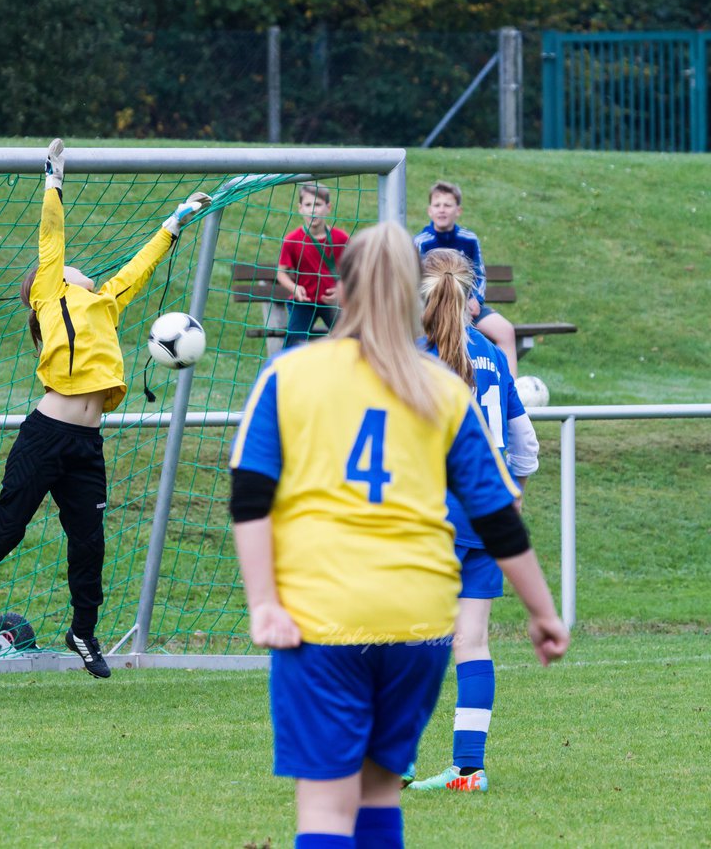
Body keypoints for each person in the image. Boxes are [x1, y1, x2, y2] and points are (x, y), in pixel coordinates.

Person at [228, 222, 568, 848]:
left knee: (329, 810)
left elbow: (250, 497)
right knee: (381, 796)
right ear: (414, 298)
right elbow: (498, 514)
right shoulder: (442, 385)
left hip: (323, 617)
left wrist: (264, 603)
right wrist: (543, 612)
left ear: (338, 290)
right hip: (418, 623)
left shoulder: (290, 374)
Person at [0, 139, 210, 678]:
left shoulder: (105, 302)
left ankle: (83, 631)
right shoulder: (50, 293)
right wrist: (54, 179)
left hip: (86, 445)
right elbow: (51, 238)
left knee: (89, 544)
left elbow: (139, 267)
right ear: (44, 286)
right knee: (6, 528)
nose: (79, 269)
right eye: (66, 269)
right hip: (46, 436)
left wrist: (175, 222)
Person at [406, 248, 540, 793]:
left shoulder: (416, 359)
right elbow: (525, 447)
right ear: (471, 300)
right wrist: (515, 493)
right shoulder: (491, 355)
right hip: (488, 518)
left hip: (435, 515)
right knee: (472, 641)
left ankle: (397, 760)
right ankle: (467, 768)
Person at [413, 180, 519, 373]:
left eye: (447, 205)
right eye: (437, 205)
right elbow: (416, 281)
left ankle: (509, 387)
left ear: (458, 211)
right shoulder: (421, 242)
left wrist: (475, 299)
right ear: (430, 211)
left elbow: (479, 273)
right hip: (432, 309)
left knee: (506, 331)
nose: (442, 210)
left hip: (468, 308)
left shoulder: (469, 239)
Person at [266, 183, 348, 355]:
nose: (313, 210)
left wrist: (342, 290)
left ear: (328, 207)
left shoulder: (341, 238)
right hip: (304, 302)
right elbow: (281, 273)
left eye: (317, 205)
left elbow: (354, 271)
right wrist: (294, 288)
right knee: (293, 344)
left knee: (351, 338)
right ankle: (286, 375)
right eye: (308, 205)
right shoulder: (292, 240)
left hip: (330, 302)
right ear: (300, 208)